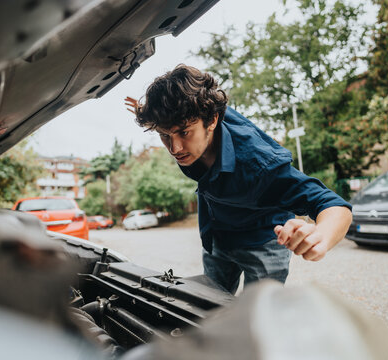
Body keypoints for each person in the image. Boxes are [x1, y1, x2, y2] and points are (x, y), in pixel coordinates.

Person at [125, 64, 352, 294]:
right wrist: (147, 112)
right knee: (210, 307)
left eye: (184, 132)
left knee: (253, 317)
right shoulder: (192, 111)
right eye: (165, 135)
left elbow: (334, 205)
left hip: (264, 242)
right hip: (219, 238)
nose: (174, 148)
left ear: (212, 121)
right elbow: (178, 109)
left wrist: (321, 236)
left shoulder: (260, 164)